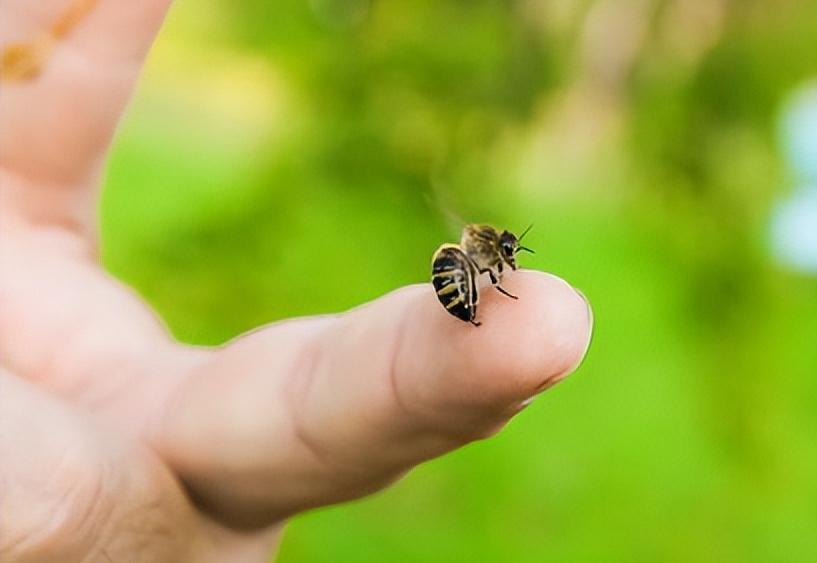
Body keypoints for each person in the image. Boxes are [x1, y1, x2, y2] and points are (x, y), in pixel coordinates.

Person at [0, 1, 593, 561]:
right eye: (506, 256)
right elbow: (474, 261)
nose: (509, 259)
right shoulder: (480, 255)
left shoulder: (483, 254)